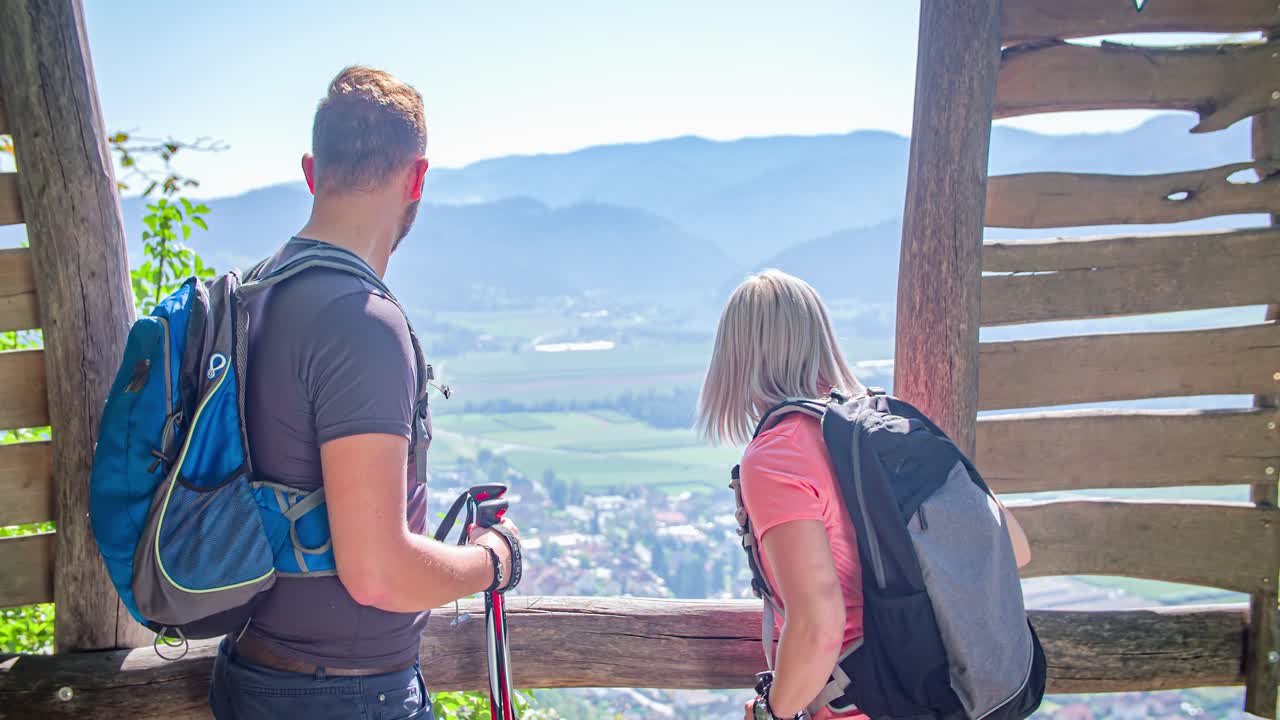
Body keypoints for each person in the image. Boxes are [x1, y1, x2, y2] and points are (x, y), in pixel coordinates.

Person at [208, 66, 519, 720]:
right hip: (342, 696)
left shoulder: (254, 297)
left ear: (311, 171)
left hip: (253, 670)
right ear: (417, 179)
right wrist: (492, 560)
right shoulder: (361, 322)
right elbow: (378, 572)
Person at [696, 269, 1031, 720]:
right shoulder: (887, 424)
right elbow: (1015, 548)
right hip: (945, 694)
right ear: (821, 338)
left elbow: (819, 622)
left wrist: (770, 713)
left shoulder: (776, 456)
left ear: (732, 355)